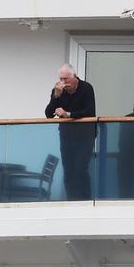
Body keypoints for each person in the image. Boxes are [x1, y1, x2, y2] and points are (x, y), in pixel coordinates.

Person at [44, 64, 97, 200]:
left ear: (74, 77)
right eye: (61, 79)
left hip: (86, 135)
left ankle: (85, 200)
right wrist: (56, 96)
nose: (63, 82)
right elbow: (48, 114)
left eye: (66, 79)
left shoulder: (86, 88)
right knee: (68, 170)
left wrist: (68, 114)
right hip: (67, 136)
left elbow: (90, 111)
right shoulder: (57, 90)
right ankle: (71, 200)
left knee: (81, 168)